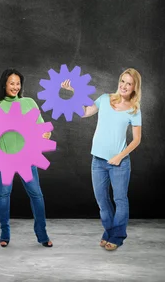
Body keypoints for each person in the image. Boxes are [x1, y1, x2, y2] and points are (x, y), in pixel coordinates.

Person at [0, 68, 53, 248]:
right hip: (4, 159)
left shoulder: (29, 103)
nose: (15, 87)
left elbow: (43, 128)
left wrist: (46, 135)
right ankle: (4, 234)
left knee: (36, 194)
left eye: (18, 83)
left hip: (26, 158)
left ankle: (43, 235)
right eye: (12, 83)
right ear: (4, 85)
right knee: (3, 194)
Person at [61, 68, 142, 251]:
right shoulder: (105, 99)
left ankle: (117, 236)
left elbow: (137, 139)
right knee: (102, 200)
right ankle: (109, 231)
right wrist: (76, 93)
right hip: (98, 160)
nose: (124, 86)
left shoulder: (134, 110)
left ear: (134, 87)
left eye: (129, 83)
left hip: (119, 163)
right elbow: (84, 112)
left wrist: (119, 156)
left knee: (120, 199)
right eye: (122, 81)